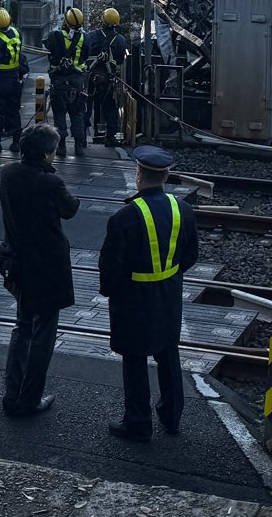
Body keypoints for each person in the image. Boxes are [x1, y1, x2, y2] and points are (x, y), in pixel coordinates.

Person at [99, 145, 198, 442]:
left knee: (134, 358)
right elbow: (191, 254)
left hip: (134, 299)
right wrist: (169, 275)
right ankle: (171, 417)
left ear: (139, 175)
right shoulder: (183, 209)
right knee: (168, 354)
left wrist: (112, 293)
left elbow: (110, 268)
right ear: (166, 175)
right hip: (168, 294)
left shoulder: (124, 217)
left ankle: (138, 422)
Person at [0, 123, 80, 417]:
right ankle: (29, 398)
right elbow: (70, 209)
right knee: (43, 334)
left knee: (22, 327)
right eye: (54, 151)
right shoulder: (49, 183)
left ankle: (12, 393)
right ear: (47, 154)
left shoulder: (8, 174)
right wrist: (51, 175)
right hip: (46, 267)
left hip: (17, 262)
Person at [44, 8, 90, 156]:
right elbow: (87, 54)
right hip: (77, 82)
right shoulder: (85, 38)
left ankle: (61, 147)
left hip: (59, 81)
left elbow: (47, 45)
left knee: (59, 115)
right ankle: (79, 146)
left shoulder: (55, 36)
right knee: (77, 114)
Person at [0, 7, 30, 152]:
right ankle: (17, 142)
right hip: (15, 78)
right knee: (14, 110)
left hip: (0, 81)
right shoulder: (17, 33)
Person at [88, 7, 129, 148]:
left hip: (90, 78)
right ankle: (110, 138)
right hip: (109, 80)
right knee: (110, 108)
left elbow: (85, 54)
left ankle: (81, 138)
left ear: (102, 20)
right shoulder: (120, 40)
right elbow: (120, 60)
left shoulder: (92, 36)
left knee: (86, 107)